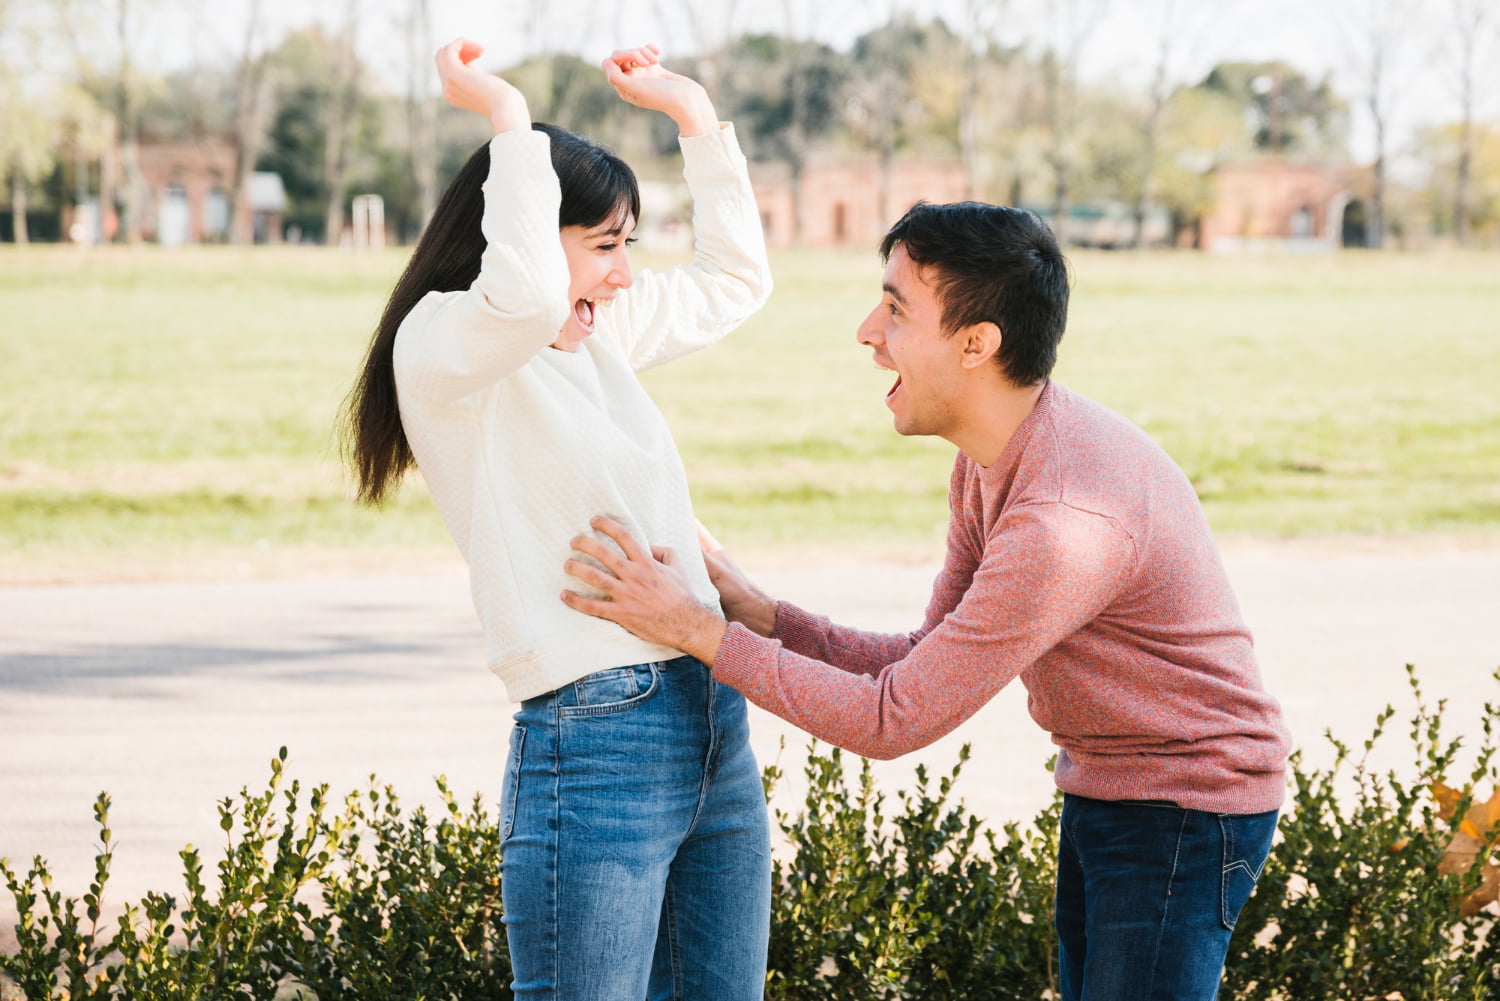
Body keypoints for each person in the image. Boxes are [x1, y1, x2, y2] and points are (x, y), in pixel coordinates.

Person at [560, 201, 1293, 1000]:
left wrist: (698, 631)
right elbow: (920, 660)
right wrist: (762, 613)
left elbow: (893, 717)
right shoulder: (995, 461)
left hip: (1187, 810)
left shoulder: (1060, 521)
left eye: (897, 308)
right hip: (1114, 788)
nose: (868, 331)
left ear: (978, 344)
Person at [340, 37, 773, 1001]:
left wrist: (695, 115)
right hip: (597, 734)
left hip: (713, 714)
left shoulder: (589, 335)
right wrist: (506, 119)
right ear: (530, 232)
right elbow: (531, 289)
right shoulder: (447, 348)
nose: (623, 278)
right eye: (606, 247)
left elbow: (736, 284)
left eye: (629, 248)